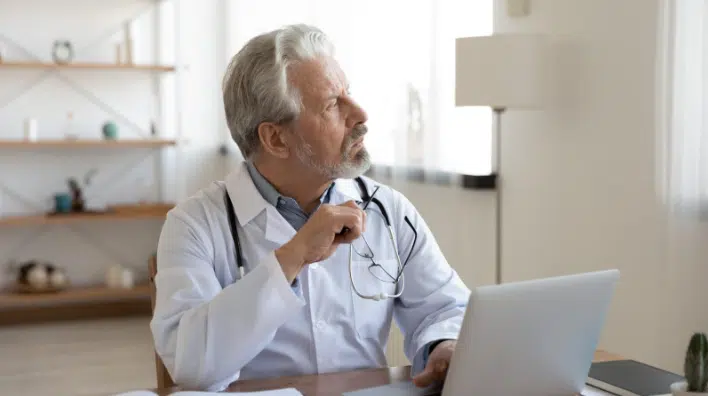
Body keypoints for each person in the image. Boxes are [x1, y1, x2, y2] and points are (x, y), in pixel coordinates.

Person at [150, 24, 471, 392]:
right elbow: (191, 365)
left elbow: (446, 307)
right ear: (275, 138)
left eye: (349, 94)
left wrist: (444, 345)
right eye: (334, 105)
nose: (361, 114)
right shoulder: (194, 224)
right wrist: (293, 256)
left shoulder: (387, 209)